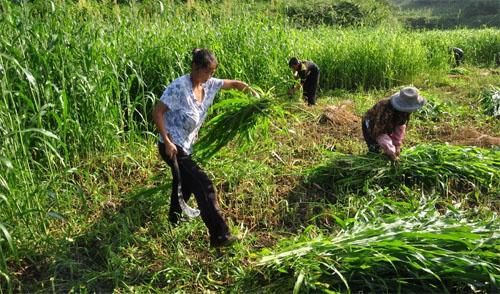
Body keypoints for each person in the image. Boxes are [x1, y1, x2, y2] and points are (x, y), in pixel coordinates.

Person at [152, 48, 259, 247]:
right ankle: (221, 235)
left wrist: (254, 96)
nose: (210, 76)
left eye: (212, 72)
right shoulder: (179, 87)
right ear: (194, 67)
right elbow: (157, 112)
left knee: (184, 183)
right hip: (173, 147)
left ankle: (174, 220)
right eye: (206, 71)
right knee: (204, 185)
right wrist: (166, 141)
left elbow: (235, 84)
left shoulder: (208, 84)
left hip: (186, 146)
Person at [362, 86, 426, 161]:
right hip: (372, 123)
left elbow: (400, 126)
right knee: (375, 149)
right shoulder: (385, 109)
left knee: (393, 149)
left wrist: (397, 146)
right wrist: (390, 151)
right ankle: (371, 162)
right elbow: (380, 133)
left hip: (387, 124)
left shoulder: (405, 111)